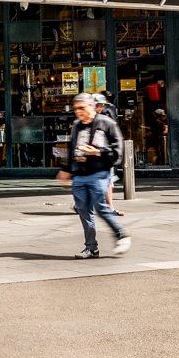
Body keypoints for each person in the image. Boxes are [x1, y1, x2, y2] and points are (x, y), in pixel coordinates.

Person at [59, 93, 131, 258]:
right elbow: (72, 148)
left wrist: (98, 152)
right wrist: (66, 169)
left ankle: (121, 234)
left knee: (101, 208)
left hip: (99, 173)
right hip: (79, 174)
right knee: (83, 211)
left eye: (81, 108)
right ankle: (91, 248)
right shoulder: (77, 125)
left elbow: (118, 151)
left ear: (92, 106)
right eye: (76, 109)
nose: (78, 112)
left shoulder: (107, 123)